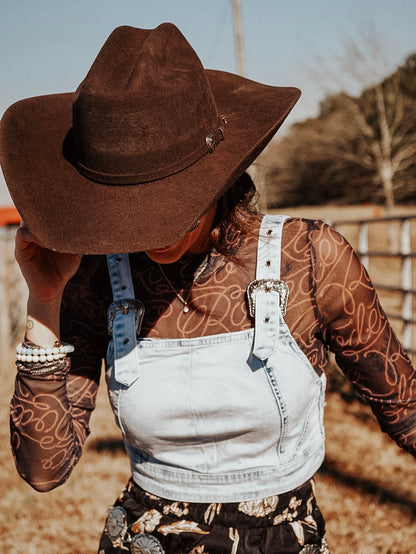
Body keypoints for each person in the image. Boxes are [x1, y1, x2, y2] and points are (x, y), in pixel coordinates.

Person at [1, 23, 415, 554]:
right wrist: (44, 300)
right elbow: (44, 470)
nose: (146, 233)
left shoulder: (309, 259)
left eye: (165, 205)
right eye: (124, 209)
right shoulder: (97, 275)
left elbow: (406, 410)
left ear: (217, 176)